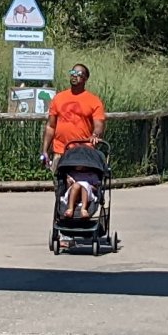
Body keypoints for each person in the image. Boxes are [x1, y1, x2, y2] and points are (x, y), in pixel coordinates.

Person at [44, 62, 106, 220]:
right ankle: (64, 229)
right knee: (61, 190)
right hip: (61, 152)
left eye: (79, 74)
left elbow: (99, 125)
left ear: (85, 78)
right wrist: (45, 150)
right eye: (72, 72)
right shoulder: (59, 98)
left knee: (83, 186)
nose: (75, 76)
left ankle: (82, 218)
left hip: (84, 153)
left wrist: (95, 134)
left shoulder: (93, 101)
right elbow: (51, 126)